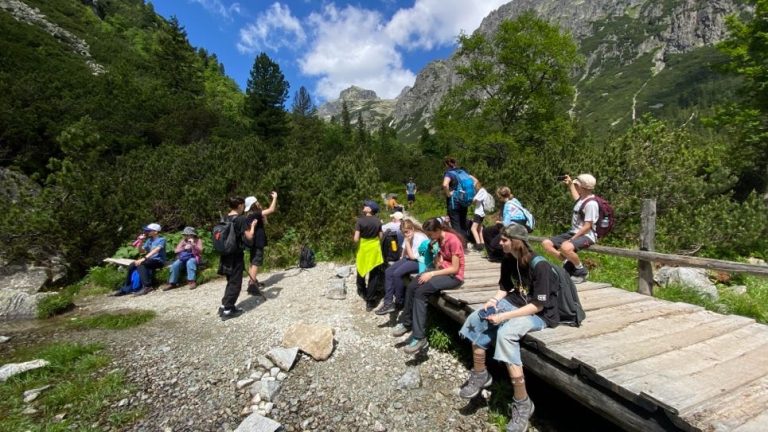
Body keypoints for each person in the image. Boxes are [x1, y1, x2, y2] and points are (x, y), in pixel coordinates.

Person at [458, 223, 559, 432]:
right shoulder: (508, 259)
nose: (499, 243)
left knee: (506, 333)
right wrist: (493, 301)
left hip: (540, 313)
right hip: (516, 302)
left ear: (517, 242)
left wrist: (504, 316)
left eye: (504, 240)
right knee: (477, 318)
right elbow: (505, 287)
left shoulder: (540, 266)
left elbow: (538, 305)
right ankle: (480, 373)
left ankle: (522, 402)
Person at [392, 217, 465, 354]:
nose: (429, 237)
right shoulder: (437, 240)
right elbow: (438, 264)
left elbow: (455, 269)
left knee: (421, 291)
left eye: (430, 234)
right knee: (412, 286)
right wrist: (435, 257)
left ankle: (419, 336)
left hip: (454, 277)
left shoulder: (453, 240)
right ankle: (407, 323)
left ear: (438, 230)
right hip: (440, 272)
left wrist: (431, 274)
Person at [542, 174, 598, 284]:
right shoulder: (582, 200)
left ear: (582, 187)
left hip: (587, 235)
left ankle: (581, 271)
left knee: (565, 247)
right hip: (574, 232)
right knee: (546, 243)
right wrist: (570, 185)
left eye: (577, 185)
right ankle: (569, 262)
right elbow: (576, 197)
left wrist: (572, 239)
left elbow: (588, 226)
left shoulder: (591, 204)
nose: (576, 186)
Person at [375, 219, 429, 315]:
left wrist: (407, 242)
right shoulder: (408, 236)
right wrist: (400, 259)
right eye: (403, 232)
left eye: (407, 231)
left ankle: (399, 301)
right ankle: (388, 302)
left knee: (397, 274)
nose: (405, 234)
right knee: (388, 271)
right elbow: (404, 251)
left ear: (412, 229)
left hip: (420, 262)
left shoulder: (420, 237)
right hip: (409, 259)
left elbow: (413, 257)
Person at [218, 196, 256, 320]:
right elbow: (249, 237)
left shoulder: (225, 218)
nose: (244, 208)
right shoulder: (240, 219)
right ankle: (228, 310)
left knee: (230, 281)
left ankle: (224, 306)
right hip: (235, 255)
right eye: (243, 205)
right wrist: (253, 226)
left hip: (225, 254)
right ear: (239, 205)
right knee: (236, 283)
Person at [244, 191, 278, 297]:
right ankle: (252, 287)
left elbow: (265, 221)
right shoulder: (255, 214)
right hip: (257, 241)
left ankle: (252, 281)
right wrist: (275, 198)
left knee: (252, 261)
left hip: (253, 242)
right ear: (254, 204)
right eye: (257, 201)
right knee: (256, 262)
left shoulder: (249, 215)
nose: (258, 203)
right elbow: (271, 210)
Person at [354, 200, 385, 312]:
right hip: (374, 249)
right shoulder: (378, 221)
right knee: (374, 275)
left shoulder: (360, 221)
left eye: (366, 205)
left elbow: (356, 239)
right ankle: (370, 302)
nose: (364, 206)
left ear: (370, 209)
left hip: (364, 249)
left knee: (361, 269)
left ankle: (362, 291)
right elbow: (381, 237)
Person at [442, 157, 478, 240]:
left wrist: (448, 194)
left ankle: (461, 243)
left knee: (456, 225)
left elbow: (445, 185)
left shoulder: (449, 173)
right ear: (455, 163)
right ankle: (465, 241)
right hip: (464, 201)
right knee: (463, 223)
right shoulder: (463, 172)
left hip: (454, 203)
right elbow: (475, 181)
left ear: (446, 165)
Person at [128, 223, 167, 296]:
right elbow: (141, 251)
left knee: (141, 264)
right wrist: (141, 242)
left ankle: (147, 286)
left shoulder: (162, 239)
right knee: (132, 265)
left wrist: (143, 258)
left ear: (155, 232)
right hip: (150, 260)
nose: (147, 232)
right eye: (147, 230)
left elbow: (156, 250)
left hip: (159, 261)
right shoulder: (149, 240)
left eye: (149, 230)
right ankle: (127, 287)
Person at [162, 226, 203, 291]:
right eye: (185, 235)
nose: (186, 236)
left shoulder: (198, 240)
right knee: (175, 264)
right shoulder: (183, 241)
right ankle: (172, 283)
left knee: (190, 262)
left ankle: (191, 281)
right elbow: (176, 251)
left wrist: (193, 245)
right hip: (183, 258)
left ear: (193, 235)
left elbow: (200, 251)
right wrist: (184, 248)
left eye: (188, 234)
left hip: (194, 257)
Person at [470, 183, 490, 251]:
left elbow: (474, 200)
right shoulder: (484, 191)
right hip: (482, 213)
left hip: (479, 213)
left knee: (473, 228)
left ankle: (478, 245)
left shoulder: (481, 190)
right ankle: (482, 244)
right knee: (480, 229)